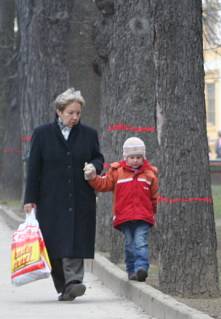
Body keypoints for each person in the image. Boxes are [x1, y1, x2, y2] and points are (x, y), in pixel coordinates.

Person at [23, 88, 104, 301]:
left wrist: (94, 167)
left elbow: (98, 158)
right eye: (70, 112)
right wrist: (29, 199)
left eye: (78, 113)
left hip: (79, 197)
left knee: (75, 239)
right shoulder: (42, 134)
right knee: (52, 245)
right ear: (59, 111)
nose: (75, 117)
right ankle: (64, 286)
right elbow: (34, 168)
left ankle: (74, 282)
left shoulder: (89, 134)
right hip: (50, 198)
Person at [84, 137, 159, 282]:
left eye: (138, 157)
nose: (135, 160)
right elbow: (104, 184)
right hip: (124, 216)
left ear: (143, 157)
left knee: (141, 242)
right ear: (126, 157)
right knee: (130, 245)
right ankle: (131, 270)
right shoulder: (117, 172)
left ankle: (142, 268)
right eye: (132, 157)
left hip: (143, 216)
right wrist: (92, 178)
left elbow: (154, 196)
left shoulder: (149, 175)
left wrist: (153, 212)